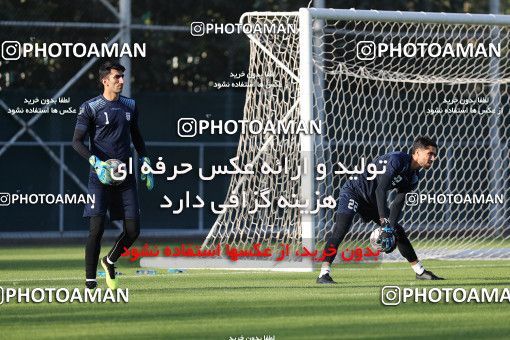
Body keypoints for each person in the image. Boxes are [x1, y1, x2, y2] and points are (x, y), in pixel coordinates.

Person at [317, 137, 444, 284]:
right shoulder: (396, 160)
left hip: (372, 200)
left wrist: (390, 228)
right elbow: (380, 189)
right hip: (354, 192)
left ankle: (420, 272)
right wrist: (384, 221)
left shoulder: (414, 177)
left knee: (398, 231)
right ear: (417, 152)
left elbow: (398, 203)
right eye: (430, 154)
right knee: (340, 230)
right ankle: (323, 274)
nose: (433, 158)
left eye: (435, 155)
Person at [72, 61, 154, 289]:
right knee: (96, 228)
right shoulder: (90, 107)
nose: (121, 80)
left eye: (122, 77)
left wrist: (145, 160)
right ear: (104, 80)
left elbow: (137, 136)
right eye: (117, 77)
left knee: (133, 230)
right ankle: (90, 281)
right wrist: (95, 162)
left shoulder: (130, 105)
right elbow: (76, 142)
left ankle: (109, 261)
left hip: (125, 177)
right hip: (99, 177)